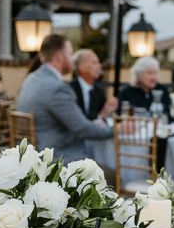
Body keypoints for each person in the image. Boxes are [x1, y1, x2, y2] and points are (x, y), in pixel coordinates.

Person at [16, 34, 113, 162]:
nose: (73, 59)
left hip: (33, 155)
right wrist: (117, 130)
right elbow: (83, 129)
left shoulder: (31, 79)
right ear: (58, 57)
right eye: (70, 53)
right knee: (114, 176)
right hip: (58, 160)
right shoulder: (56, 88)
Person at [70, 49, 117, 121]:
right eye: (94, 62)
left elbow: (104, 118)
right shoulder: (70, 90)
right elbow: (75, 120)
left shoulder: (99, 92)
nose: (99, 66)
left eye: (99, 63)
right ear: (80, 66)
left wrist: (108, 109)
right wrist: (101, 115)